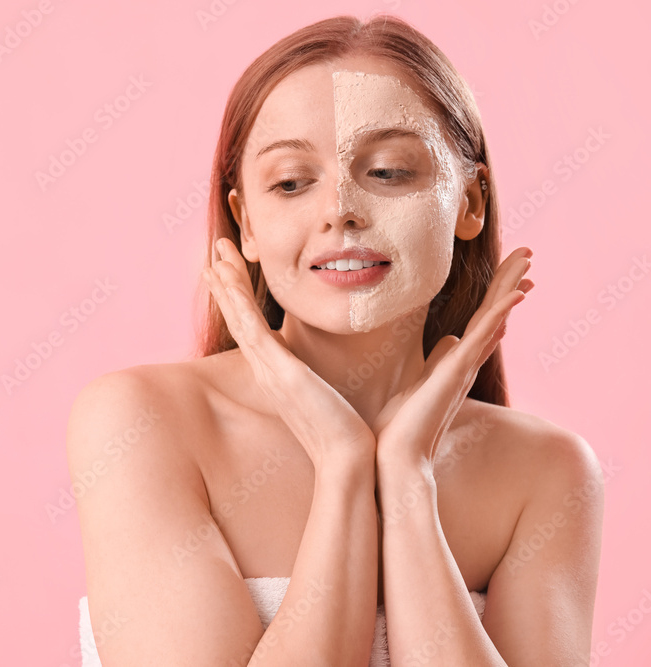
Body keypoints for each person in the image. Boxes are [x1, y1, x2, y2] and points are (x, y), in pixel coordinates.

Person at [68, 14, 604, 667]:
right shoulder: (141, 421)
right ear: (248, 226)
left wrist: (408, 475)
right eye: (292, 181)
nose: (339, 209)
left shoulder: (547, 471)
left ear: (470, 203)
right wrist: (345, 462)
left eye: (388, 171)